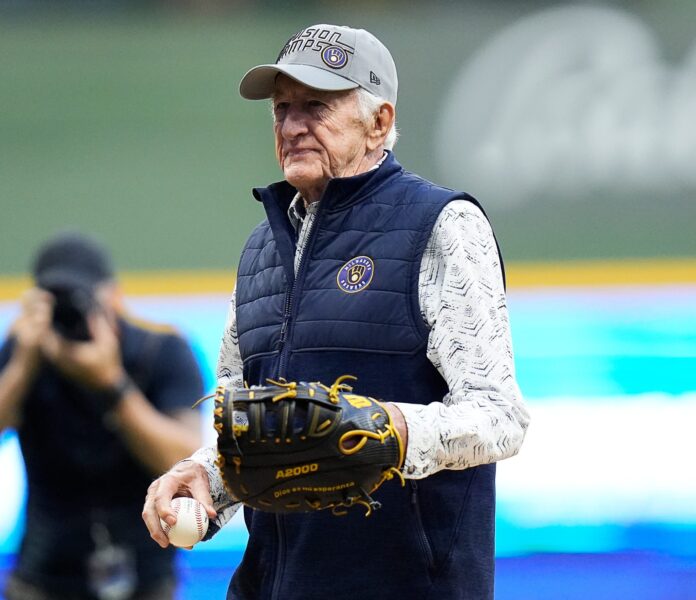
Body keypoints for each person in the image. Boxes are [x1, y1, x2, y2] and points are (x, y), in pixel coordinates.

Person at [142, 24, 530, 599]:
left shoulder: (443, 226)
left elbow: (500, 418)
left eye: (316, 106)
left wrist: (393, 430)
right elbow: (254, 433)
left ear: (379, 122)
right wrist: (209, 478)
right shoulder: (260, 251)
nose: (293, 126)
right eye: (282, 109)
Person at [0, 231, 205, 600]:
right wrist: (22, 363)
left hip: (147, 578)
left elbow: (187, 459)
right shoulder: (24, 354)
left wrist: (112, 385)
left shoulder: (162, 352)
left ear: (113, 295)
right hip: (42, 577)